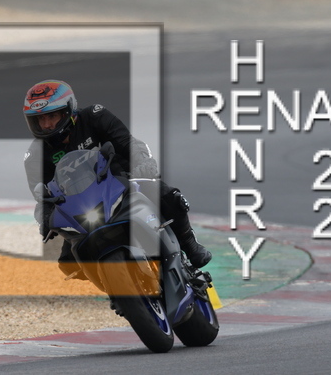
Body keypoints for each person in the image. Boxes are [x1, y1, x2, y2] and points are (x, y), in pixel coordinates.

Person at [23, 79, 212, 277]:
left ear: (68, 111)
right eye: (40, 119)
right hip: (82, 207)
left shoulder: (94, 116)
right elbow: (42, 196)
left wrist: (144, 164)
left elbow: (129, 143)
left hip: (124, 183)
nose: (46, 124)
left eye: (52, 116)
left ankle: (190, 244)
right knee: (69, 264)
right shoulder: (35, 155)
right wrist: (45, 218)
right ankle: (112, 282)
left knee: (170, 197)